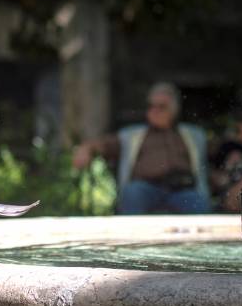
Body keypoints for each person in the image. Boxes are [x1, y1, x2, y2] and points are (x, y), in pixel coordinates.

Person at [73, 82, 210, 214]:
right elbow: (104, 144)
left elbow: (214, 156)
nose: (155, 110)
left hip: (182, 190)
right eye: (151, 106)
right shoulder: (131, 135)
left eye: (161, 106)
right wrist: (87, 148)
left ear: (174, 109)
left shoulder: (194, 135)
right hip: (146, 188)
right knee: (132, 192)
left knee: (198, 202)